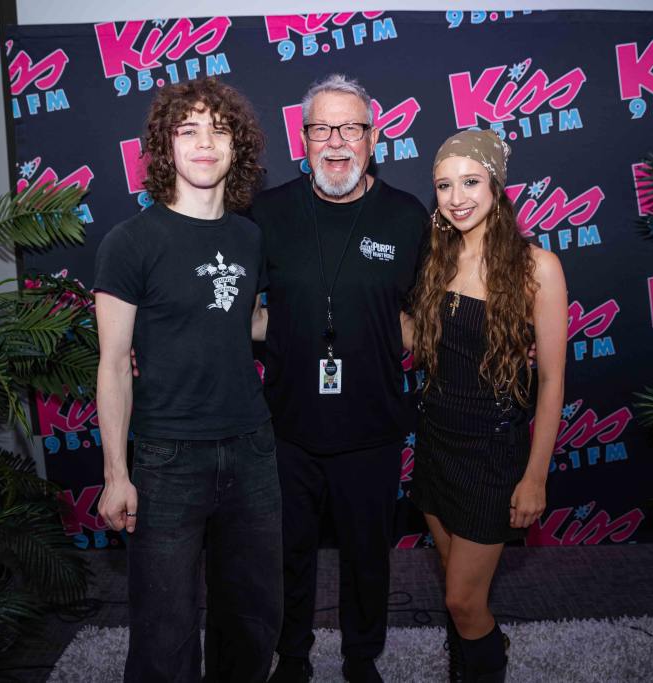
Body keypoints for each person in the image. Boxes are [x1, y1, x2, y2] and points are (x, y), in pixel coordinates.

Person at [93, 78, 280, 683]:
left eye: (219, 130)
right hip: (167, 458)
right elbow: (114, 364)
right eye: (188, 130)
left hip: (251, 449)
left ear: (238, 147)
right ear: (165, 146)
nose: (205, 143)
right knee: (164, 630)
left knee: (252, 618)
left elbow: (245, 320)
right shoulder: (130, 242)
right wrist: (117, 475)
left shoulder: (249, 237)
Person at [252, 75, 428, 683]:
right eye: (322, 127)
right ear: (302, 139)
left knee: (366, 559)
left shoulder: (407, 217)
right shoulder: (267, 213)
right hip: (287, 425)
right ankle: (292, 659)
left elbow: (423, 318)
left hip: (373, 425)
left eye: (350, 127)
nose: (336, 141)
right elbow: (233, 306)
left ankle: (360, 660)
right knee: (286, 555)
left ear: (372, 138)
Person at [408, 130, 567, 682]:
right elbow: (410, 341)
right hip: (435, 444)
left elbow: (550, 381)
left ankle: (486, 662)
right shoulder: (434, 260)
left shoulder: (536, 268)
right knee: (458, 587)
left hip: (492, 455)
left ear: (496, 185)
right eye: (444, 186)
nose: (457, 198)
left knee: (462, 603)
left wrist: (536, 477)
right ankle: (470, 665)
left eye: (470, 181)